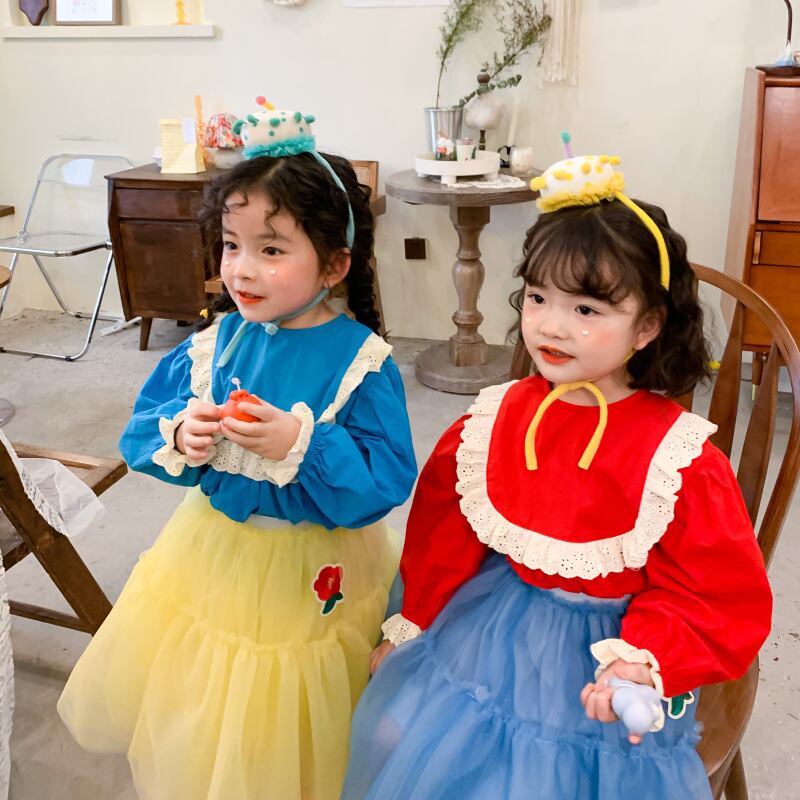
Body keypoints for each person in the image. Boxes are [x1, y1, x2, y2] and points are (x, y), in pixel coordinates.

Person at [342, 154, 772, 800]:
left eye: (587, 309)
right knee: (422, 748)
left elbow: (711, 589)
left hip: (607, 654)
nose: (550, 324)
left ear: (647, 326)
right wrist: (414, 623)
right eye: (539, 297)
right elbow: (444, 537)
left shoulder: (678, 460)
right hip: (491, 631)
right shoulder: (495, 419)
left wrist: (643, 658)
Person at [58, 113, 417, 800]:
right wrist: (180, 435)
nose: (241, 269)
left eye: (271, 249)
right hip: (213, 551)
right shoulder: (214, 342)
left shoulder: (361, 362)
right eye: (231, 245)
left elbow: (384, 481)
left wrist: (304, 445)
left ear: (335, 264)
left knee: (294, 697)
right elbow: (142, 429)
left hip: (314, 567)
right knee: (210, 696)